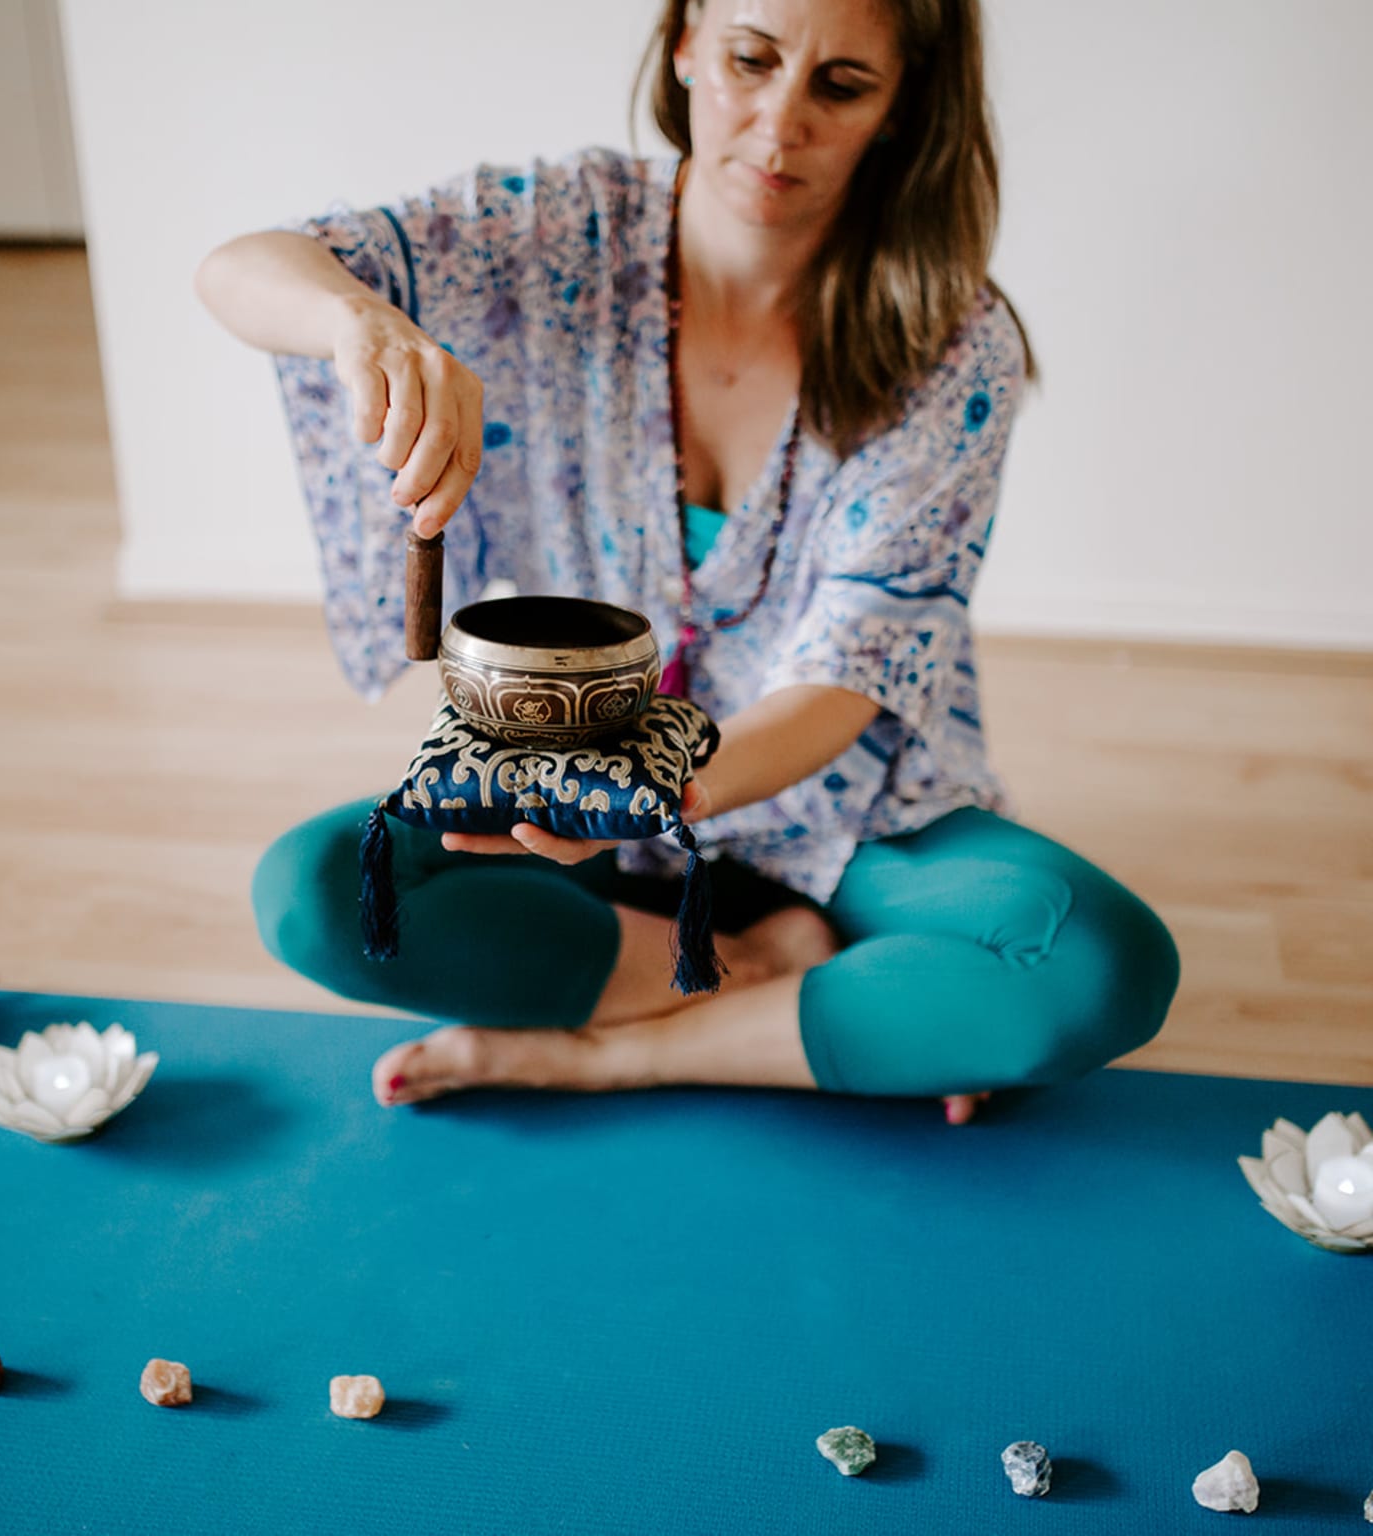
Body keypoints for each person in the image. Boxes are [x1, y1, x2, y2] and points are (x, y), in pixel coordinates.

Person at [195, 0, 1180, 1123]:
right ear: (685, 43)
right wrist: (360, 324)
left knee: (1097, 964)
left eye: (842, 86)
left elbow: (843, 683)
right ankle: (766, 972)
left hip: (844, 824)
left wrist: (658, 794)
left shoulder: (955, 341)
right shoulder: (557, 228)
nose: (779, 124)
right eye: (751, 60)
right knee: (316, 892)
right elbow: (238, 269)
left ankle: (611, 1051)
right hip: (586, 807)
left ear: (904, 106)